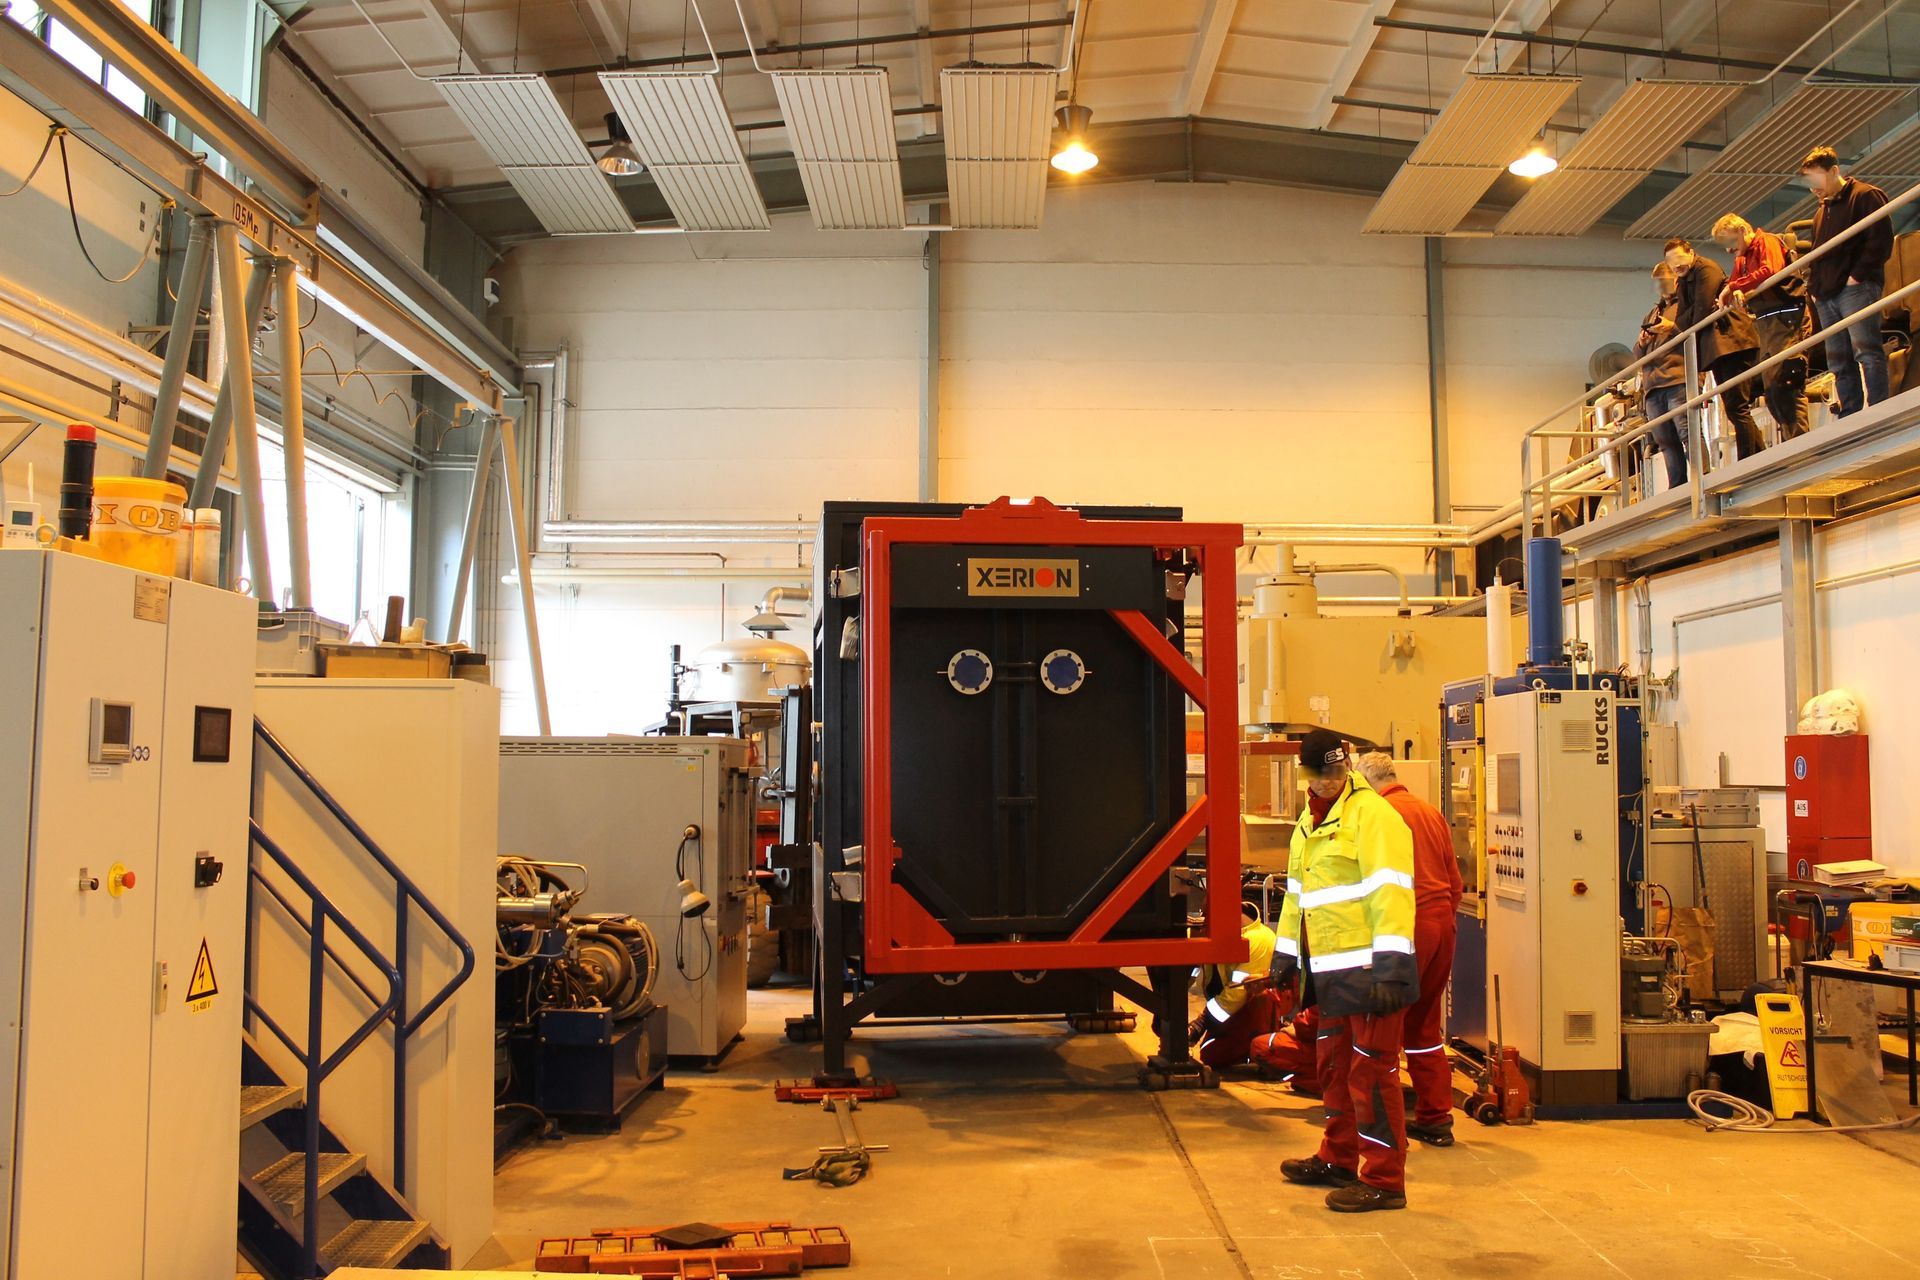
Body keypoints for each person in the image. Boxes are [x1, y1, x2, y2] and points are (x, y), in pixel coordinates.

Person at [1271, 730, 1418, 1213]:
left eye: (1333, 773)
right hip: (1330, 975)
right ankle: (1338, 1157)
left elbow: (1390, 891)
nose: (1325, 783)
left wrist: (1393, 966)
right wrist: (1285, 954)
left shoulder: (1374, 816)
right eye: (1317, 775)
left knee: (1371, 1075)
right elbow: (1297, 895)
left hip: (1372, 973)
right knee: (1333, 1068)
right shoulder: (1309, 821)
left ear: (1347, 767)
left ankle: (1384, 1180)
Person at [1356, 753, 1463, 1148]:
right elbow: (1455, 883)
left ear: (1366, 783)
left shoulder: (1378, 815)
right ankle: (1436, 1117)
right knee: (1424, 1028)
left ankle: (1381, 1129)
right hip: (1441, 926)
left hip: (1407, 927)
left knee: (1382, 1027)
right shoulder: (1430, 812)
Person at [1801, 145, 1893, 417]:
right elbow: (1818, 252)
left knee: (1865, 349)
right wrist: (1815, 290)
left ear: (1834, 171)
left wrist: (1856, 277)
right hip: (1827, 294)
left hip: (1855, 287)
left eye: (1817, 179)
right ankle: (1851, 412)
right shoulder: (1821, 213)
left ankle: (1879, 409)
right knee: (1838, 359)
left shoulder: (1865, 196)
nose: (1813, 188)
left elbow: (1880, 240)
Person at [1712, 213, 1810, 440]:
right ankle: (1792, 438)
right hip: (1767, 321)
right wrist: (1735, 288)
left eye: (1730, 243)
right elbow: (1738, 283)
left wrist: (1735, 286)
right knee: (1772, 385)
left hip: (1786, 317)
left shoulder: (1767, 241)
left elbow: (1769, 270)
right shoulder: (1742, 258)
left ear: (1742, 231)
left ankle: (1799, 438)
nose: (1729, 250)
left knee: (1785, 380)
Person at [1667, 237, 1764, 460]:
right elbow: (1681, 321)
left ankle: (1750, 459)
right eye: (1672, 264)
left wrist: (1691, 316)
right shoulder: (1685, 280)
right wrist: (1691, 316)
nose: (1677, 266)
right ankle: (1755, 455)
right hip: (1719, 347)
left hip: (1732, 342)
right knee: (1734, 407)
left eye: (1680, 259)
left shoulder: (1706, 269)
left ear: (1690, 252)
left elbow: (1698, 312)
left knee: (1737, 406)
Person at [1189, 902, 1277, 1070]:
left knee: (1262, 998)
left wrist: (1202, 1022)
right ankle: (1250, 1048)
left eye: (1208, 918)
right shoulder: (1224, 935)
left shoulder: (1259, 940)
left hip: (1252, 1010)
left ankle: (1263, 1046)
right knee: (1210, 1054)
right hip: (1235, 1011)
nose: (1205, 923)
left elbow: (1238, 993)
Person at [1635, 262, 1690, 491]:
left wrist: (1671, 327)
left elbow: (1694, 333)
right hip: (1653, 384)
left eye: (1665, 280)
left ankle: (1701, 477)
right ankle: (1677, 486)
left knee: (1687, 432)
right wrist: (1642, 342)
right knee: (1665, 440)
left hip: (1677, 377)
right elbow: (1637, 355)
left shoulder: (1686, 306)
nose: (1661, 286)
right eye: (1657, 281)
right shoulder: (1654, 311)